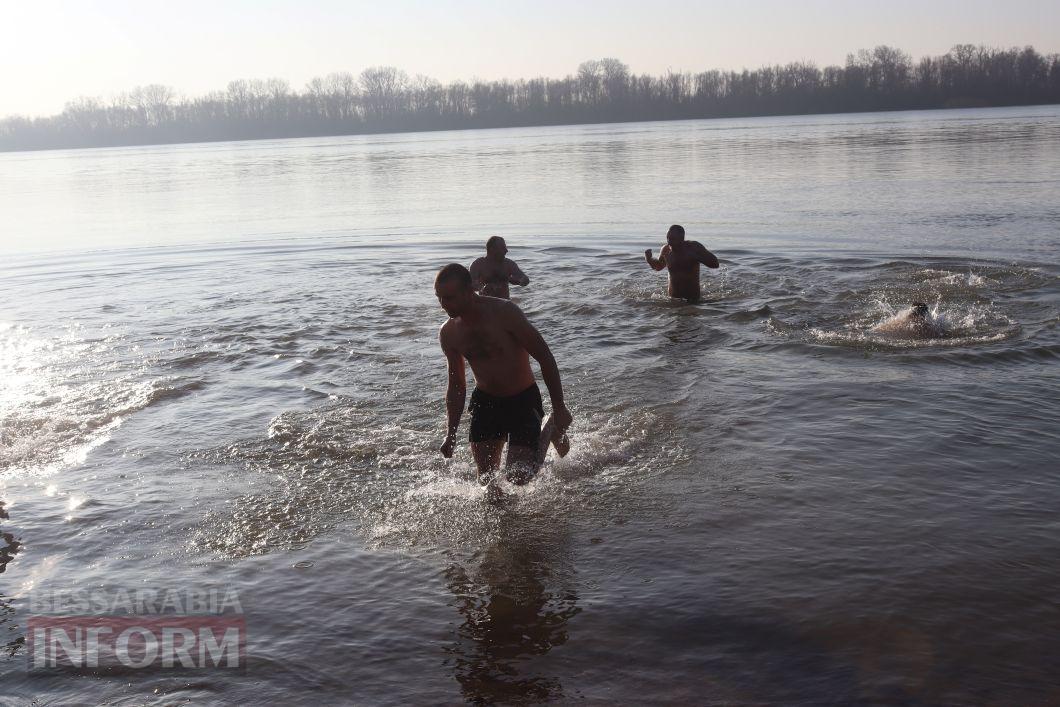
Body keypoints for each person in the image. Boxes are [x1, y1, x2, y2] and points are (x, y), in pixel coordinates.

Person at [435, 263, 572, 497]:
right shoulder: (448, 332)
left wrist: (559, 406)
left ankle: (550, 426)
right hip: (486, 401)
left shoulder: (505, 312)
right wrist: (451, 433)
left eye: (449, 298)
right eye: (439, 298)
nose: (443, 305)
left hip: (522, 398)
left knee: (519, 477)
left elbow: (545, 356)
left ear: (470, 291)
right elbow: (457, 384)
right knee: (487, 482)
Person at [644, 224, 720, 301]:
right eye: (668, 238)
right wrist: (649, 259)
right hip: (673, 299)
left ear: (681, 239)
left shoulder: (693, 247)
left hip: (693, 300)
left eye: (673, 239)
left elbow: (715, 264)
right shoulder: (666, 250)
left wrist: (697, 257)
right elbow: (659, 266)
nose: (669, 242)